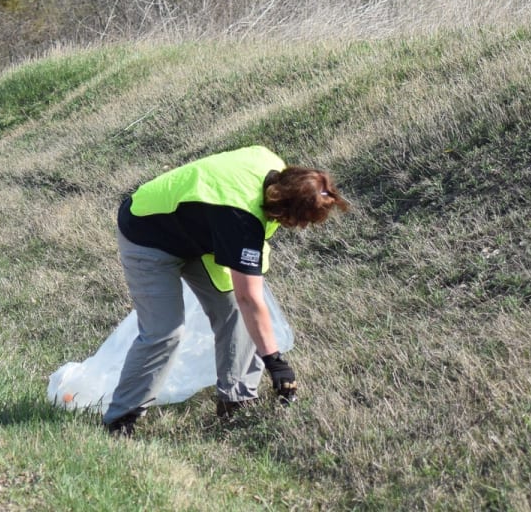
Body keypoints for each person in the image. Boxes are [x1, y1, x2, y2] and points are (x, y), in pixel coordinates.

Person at [102, 145, 349, 437]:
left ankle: (237, 401)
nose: (302, 227)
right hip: (148, 233)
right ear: (282, 206)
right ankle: (121, 419)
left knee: (233, 311)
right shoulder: (240, 215)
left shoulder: (271, 167)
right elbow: (250, 298)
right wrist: (276, 362)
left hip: (199, 234)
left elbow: (245, 299)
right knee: (164, 331)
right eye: (300, 220)